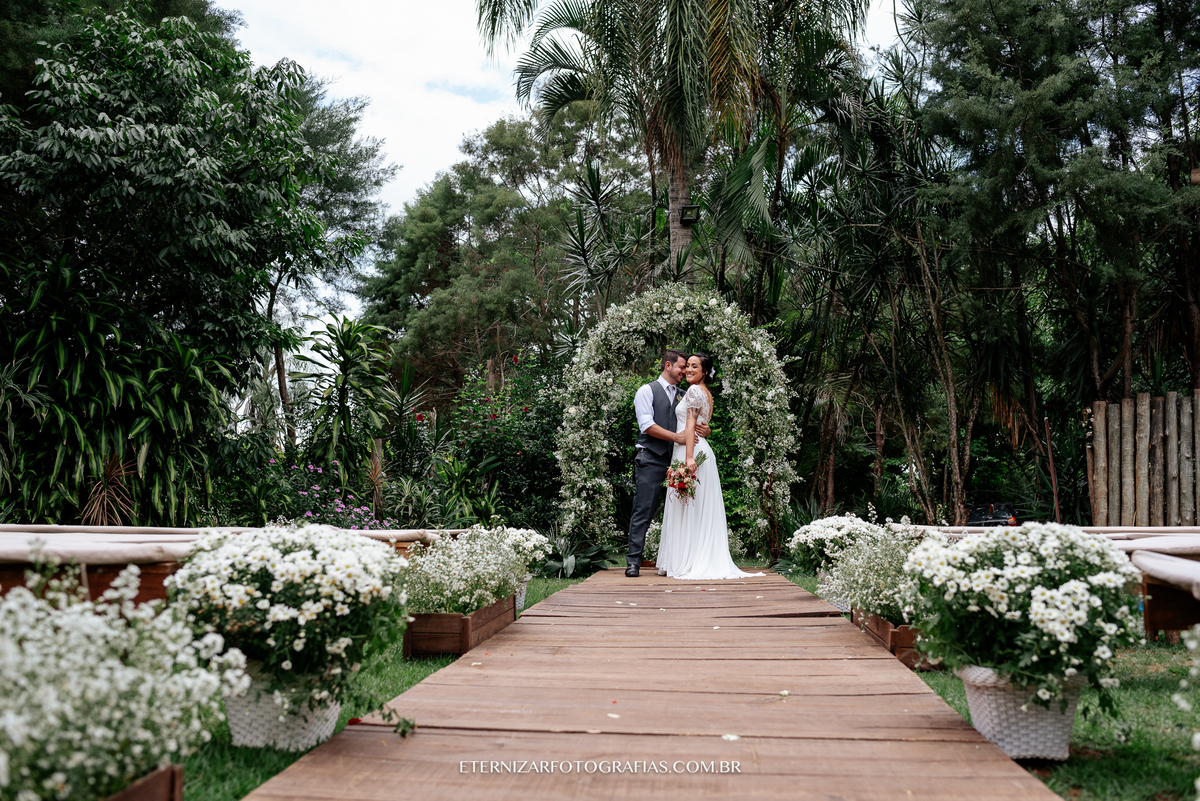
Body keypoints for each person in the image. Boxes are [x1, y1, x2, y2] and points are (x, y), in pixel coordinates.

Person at [657, 353, 763, 580]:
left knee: (688, 506)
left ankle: (687, 561)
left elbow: (691, 423)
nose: (688, 370)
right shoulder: (705, 393)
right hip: (698, 449)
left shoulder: (695, 391)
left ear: (705, 372)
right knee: (691, 507)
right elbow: (702, 424)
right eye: (688, 367)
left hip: (692, 453)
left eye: (695, 367)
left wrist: (687, 459)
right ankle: (687, 558)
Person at [626, 349, 710, 577]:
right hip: (651, 459)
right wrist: (677, 437)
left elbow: (694, 420)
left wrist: (706, 428)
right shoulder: (647, 391)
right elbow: (646, 425)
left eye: (690, 367)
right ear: (667, 366)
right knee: (643, 510)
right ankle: (633, 562)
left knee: (679, 513)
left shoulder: (686, 393)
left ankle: (676, 562)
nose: (686, 371)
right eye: (682, 366)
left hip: (677, 461)